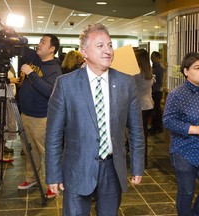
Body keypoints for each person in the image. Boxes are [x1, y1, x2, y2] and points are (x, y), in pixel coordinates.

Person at [45, 23, 145, 215]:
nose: (107, 51)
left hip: (112, 169)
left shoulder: (126, 83)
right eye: (100, 46)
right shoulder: (66, 85)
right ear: (84, 52)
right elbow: (53, 135)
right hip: (76, 168)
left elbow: (136, 129)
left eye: (109, 45)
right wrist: (53, 174)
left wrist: (137, 165)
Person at [163, 52, 199, 215]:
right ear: (186, 71)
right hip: (184, 150)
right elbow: (168, 121)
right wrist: (195, 129)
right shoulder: (176, 94)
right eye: (197, 68)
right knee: (186, 193)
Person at [17, 34, 62, 199]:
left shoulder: (55, 69)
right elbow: (22, 47)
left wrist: (31, 73)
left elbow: (49, 91)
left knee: (47, 152)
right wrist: (14, 34)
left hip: (42, 118)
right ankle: (32, 178)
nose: (39, 44)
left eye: (43, 42)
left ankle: (53, 184)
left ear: (52, 49)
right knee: (29, 150)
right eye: (40, 41)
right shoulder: (34, 58)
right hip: (25, 115)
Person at [134, 49, 153, 168]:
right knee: (144, 134)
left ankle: (139, 161)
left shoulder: (136, 73)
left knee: (137, 135)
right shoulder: (149, 73)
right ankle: (144, 160)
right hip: (148, 105)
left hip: (139, 106)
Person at [149, 51, 165, 134]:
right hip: (153, 90)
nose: (152, 59)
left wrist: (154, 90)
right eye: (151, 57)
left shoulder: (160, 68)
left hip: (157, 91)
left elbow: (160, 82)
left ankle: (158, 127)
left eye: (153, 58)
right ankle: (154, 126)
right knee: (154, 110)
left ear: (158, 58)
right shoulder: (153, 67)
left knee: (157, 110)